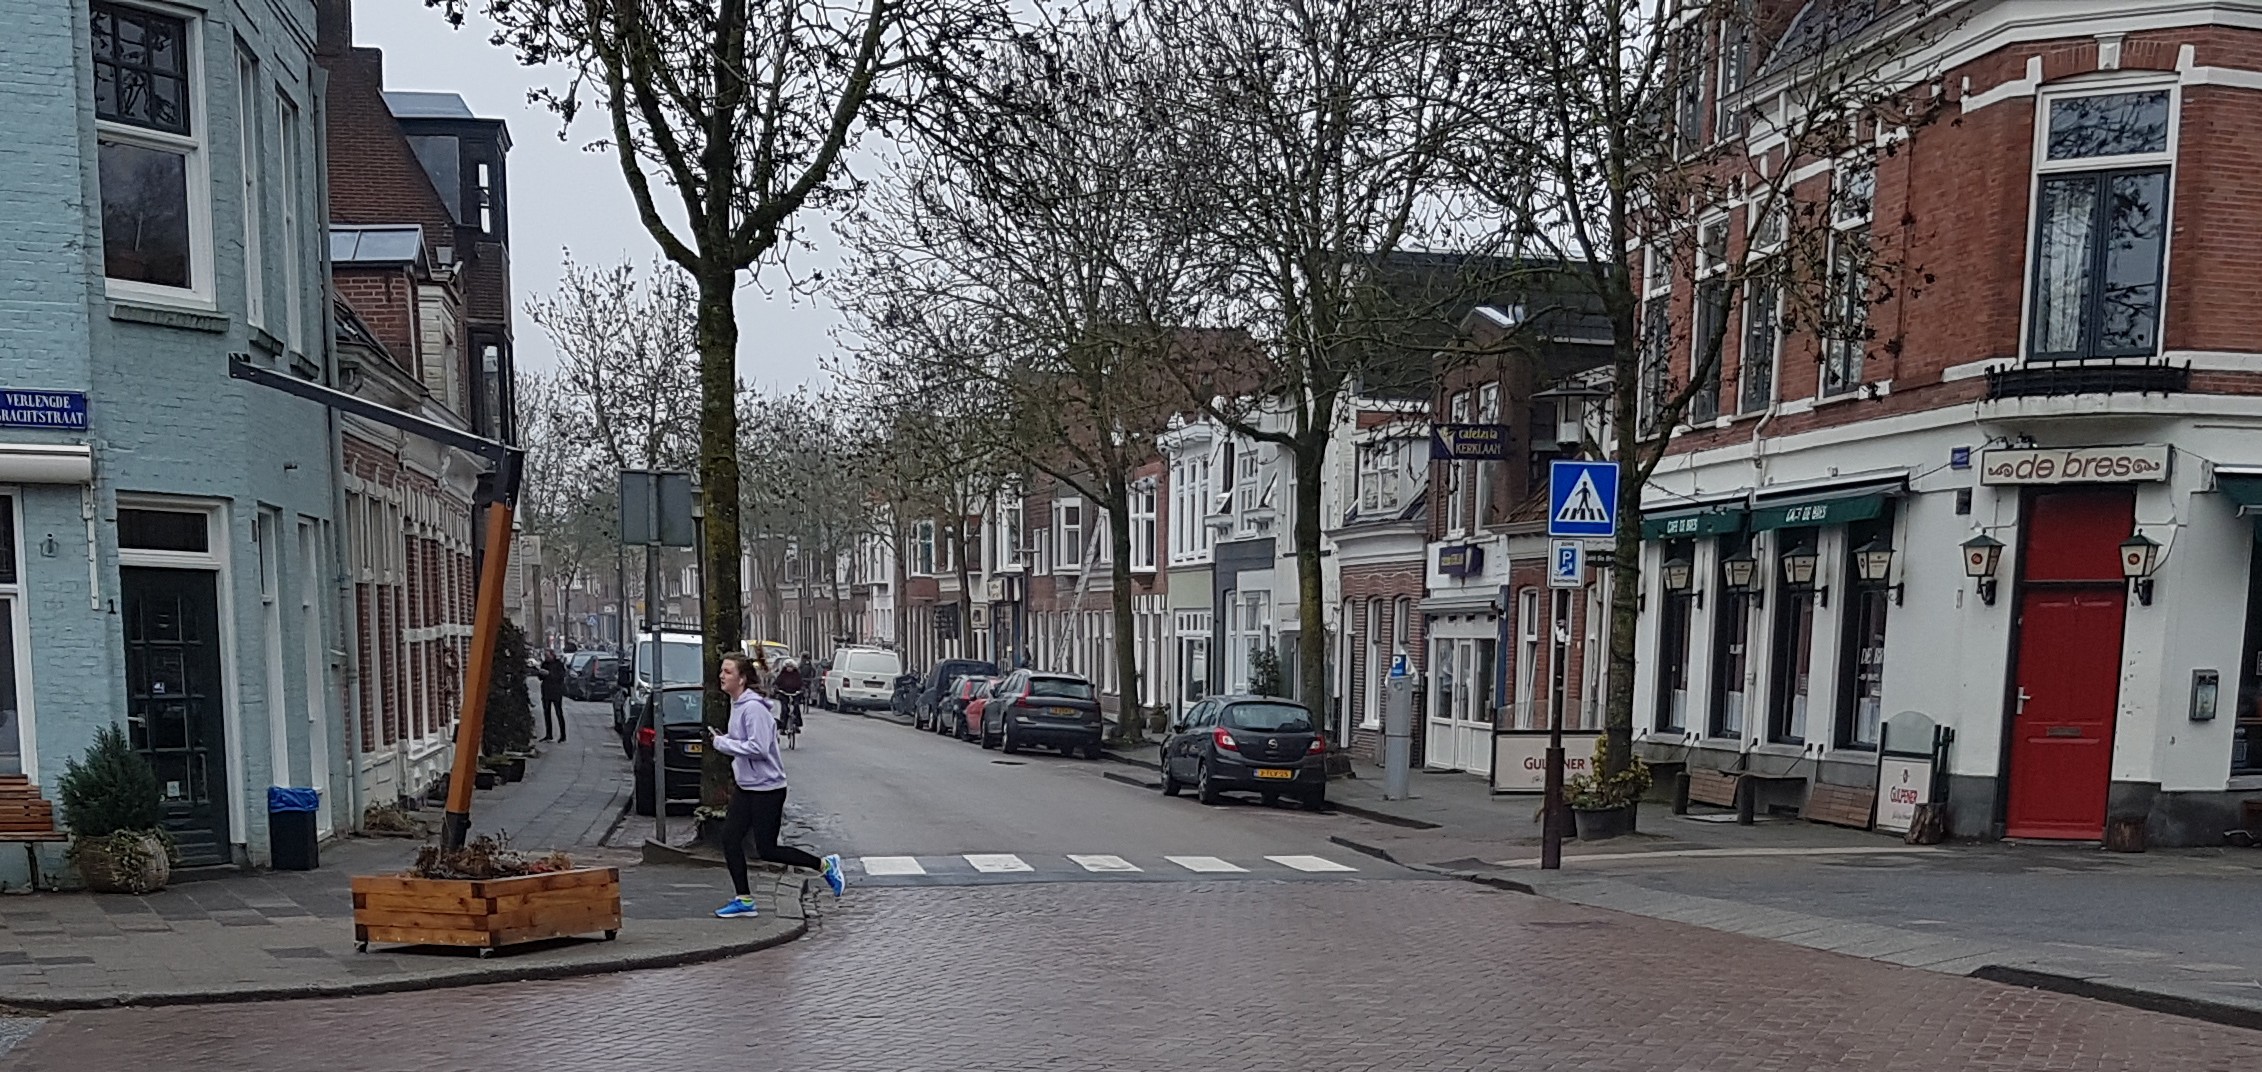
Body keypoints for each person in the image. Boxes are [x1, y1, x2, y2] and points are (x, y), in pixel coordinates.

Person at [705, 652, 845, 918]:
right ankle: (744, 900)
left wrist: (723, 744)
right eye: (722, 671)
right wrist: (728, 742)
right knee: (730, 838)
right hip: (748, 786)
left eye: (728, 672)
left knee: (767, 849)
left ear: (742, 678)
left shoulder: (753, 709)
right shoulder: (737, 705)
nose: (722, 676)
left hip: (767, 788)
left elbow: (758, 748)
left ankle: (825, 865)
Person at [538, 649, 568, 742]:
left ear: (552, 655)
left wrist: (549, 674)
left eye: (548, 656)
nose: (546, 658)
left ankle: (563, 735)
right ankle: (548, 734)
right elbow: (540, 678)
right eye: (545, 656)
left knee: (559, 713)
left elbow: (561, 676)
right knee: (546, 713)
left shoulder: (559, 664)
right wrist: (541, 673)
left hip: (556, 691)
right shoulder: (544, 664)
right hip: (546, 691)